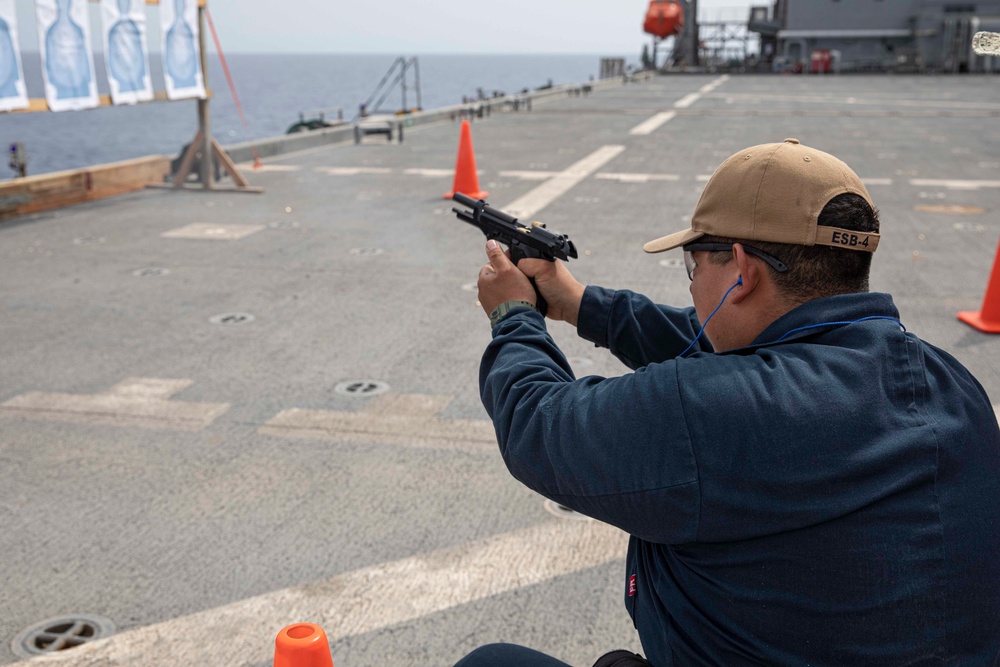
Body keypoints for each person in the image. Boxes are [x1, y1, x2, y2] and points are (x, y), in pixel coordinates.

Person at [455, 139, 1000, 666]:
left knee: (490, 662)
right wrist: (581, 305)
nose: (692, 286)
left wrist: (514, 316)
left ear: (742, 270)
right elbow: (727, 344)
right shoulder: (950, 383)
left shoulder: (713, 412)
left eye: (694, 266)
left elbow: (538, 424)